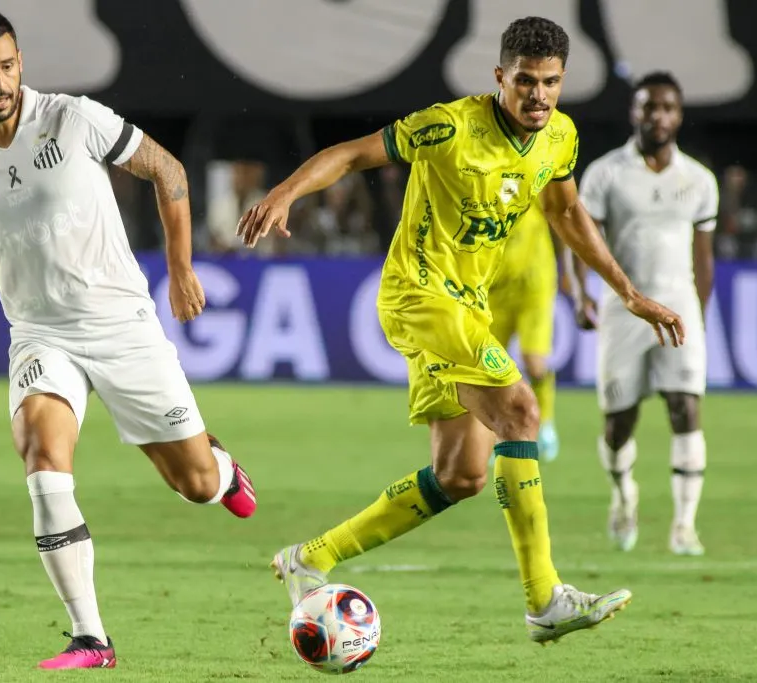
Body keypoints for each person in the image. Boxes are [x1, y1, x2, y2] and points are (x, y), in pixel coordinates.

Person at [237, 16, 684, 644]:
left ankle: (310, 558)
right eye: (525, 81)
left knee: (462, 475)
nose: (538, 95)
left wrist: (629, 293)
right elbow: (351, 153)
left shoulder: (560, 137)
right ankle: (545, 598)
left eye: (551, 82)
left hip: (467, 307)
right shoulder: (450, 125)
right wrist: (285, 193)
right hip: (418, 296)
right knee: (521, 412)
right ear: (500, 77)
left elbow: (566, 211)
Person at [0, 8, 257, 670]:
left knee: (191, 483)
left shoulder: (75, 119)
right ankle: (91, 637)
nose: (1, 81)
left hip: (121, 325)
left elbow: (169, 169)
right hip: (41, 334)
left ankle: (221, 470)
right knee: (42, 458)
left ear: (21, 65)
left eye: (9, 66)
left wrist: (181, 267)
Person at [571, 72, 717, 556]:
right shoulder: (606, 173)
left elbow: (703, 255)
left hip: (679, 311)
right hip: (623, 313)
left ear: (679, 115)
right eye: (648, 106)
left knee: (685, 409)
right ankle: (623, 495)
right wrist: (581, 294)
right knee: (619, 423)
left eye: (667, 107)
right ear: (634, 112)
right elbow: (581, 238)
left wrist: (700, 313)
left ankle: (685, 526)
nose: (657, 115)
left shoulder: (699, 180)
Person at [488, 204, 562, 462]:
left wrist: (567, 265)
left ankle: (546, 426)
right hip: (495, 291)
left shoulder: (529, 183)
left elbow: (562, 214)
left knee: (534, 361)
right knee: (487, 368)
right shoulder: (477, 192)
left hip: (534, 289)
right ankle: (492, 432)